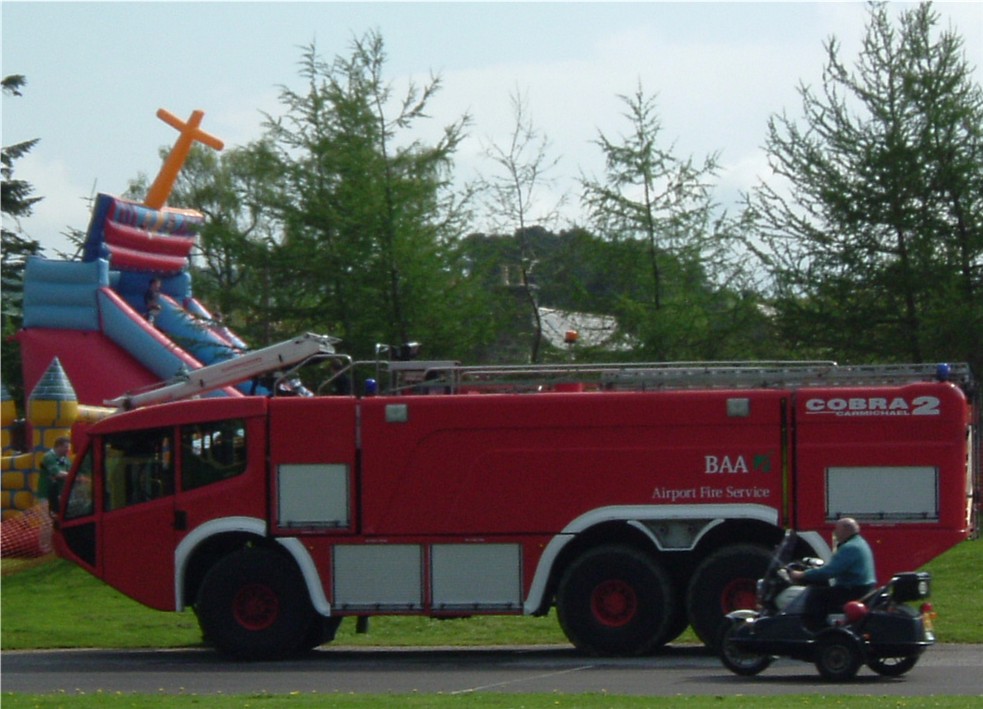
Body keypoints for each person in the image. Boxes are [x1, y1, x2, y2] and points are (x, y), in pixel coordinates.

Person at [790, 517, 877, 629]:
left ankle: (816, 629)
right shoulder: (860, 542)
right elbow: (837, 567)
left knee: (815, 594)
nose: (835, 533)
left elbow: (830, 572)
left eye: (837, 529)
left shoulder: (850, 547)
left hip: (852, 590)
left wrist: (802, 574)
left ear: (846, 530)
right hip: (862, 588)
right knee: (823, 591)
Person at [39, 436, 72, 517]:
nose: (68, 449)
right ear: (59, 446)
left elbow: (70, 470)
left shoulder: (65, 459)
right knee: (47, 520)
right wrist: (73, 476)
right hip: (47, 494)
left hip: (60, 493)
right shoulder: (49, 457)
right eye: (66, 447)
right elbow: (58, 473)